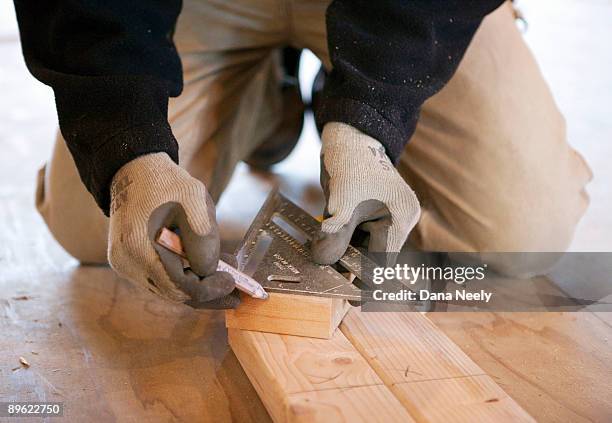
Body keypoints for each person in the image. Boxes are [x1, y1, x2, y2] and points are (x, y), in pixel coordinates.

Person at [13, 0, 591, 308]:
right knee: (95, 228)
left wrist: (371, 112)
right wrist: (127, 144)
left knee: (520, 228)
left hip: (409, 9)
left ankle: (333, 90)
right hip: (190, 3)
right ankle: (266, 95)